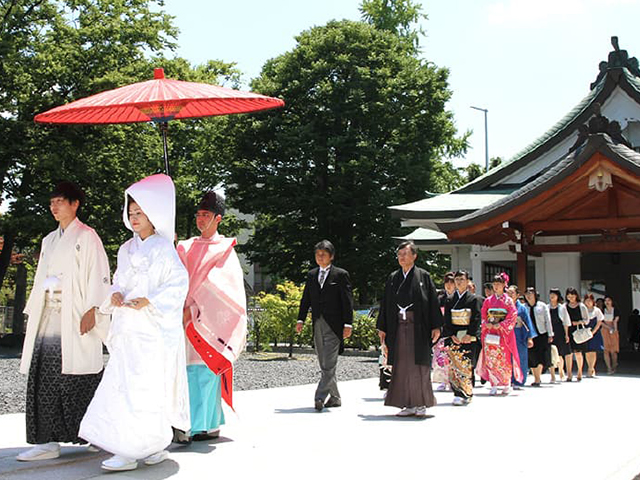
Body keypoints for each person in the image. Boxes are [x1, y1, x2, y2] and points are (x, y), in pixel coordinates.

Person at [79, 174, 190, 471]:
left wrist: (150, 300)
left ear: (154, 215)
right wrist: (115, 294)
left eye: (140, 212)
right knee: (124, 387)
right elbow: (119, 281)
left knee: (145, 389)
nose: (134, 217)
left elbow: (178, 284)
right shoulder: (126, 249)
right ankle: (136, 446)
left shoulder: (164, 249)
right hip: (128, 328)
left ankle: (140, 447)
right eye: (131, 212)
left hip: (150, 331)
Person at [17, 182, 111, 462]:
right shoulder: (49, 240)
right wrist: (36, 307)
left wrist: (94, 309)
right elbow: (43, 279)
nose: (54, 207)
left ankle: (95, 433)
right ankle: (46, 441)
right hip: (50, 315)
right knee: (44, 374)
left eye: (60, 201)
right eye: (51, 202)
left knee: (80, 378)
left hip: (76, 315)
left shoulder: (87, 237)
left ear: (75, 204)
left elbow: (99, 274)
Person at [176, 191, 247, 442]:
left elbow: (228, 290)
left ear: (218, 218)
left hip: (206, 322)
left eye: (205, 215)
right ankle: (188, 423)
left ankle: (206, 424)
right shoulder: (184, 246)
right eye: (198, 215)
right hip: (182, 318)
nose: (200, 219)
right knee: (185, 372)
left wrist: (196, 307)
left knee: (205, 371)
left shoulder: (225, 249)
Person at [377, 241, 442, 417]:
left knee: (418, 365)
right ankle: (407, 403)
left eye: (405, 254)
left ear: (414, 256)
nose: (401, 257)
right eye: (399, 254)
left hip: (417, 327)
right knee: (401, 365)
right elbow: (386, 303)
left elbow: (433, 302)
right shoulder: (393, 278)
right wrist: (382, 326)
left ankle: (420, 403)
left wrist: (436, 325)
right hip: (398, 326)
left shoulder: (423, 276)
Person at [297, 240, 353, 411]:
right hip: (318, 323)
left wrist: (348, 323)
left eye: (324, 254)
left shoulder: (340, 274)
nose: (320, 257)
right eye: (317, 254)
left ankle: (320, 396)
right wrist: (300, 319)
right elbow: (306, 298)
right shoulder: (312, 275)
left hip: (335, 325)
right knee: (324, 362)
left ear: (331, 256)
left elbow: (347, 301)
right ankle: (335, 398)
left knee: (329, 362)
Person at [477, 273, 521, 396]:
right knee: (491, 358)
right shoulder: (488, 300)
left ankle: (506, 383)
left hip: (502, 335)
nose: (496, 287)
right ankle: (494, 384)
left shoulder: (508, 301)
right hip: (491, 332)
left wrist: (501, 325)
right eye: (494, 284)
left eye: (499, 284)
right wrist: (486, 323)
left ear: (504, 285)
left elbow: (512, 315)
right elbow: (483, 314)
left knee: (504, 358)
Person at [442, 270, 481, 406]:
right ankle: (457, 392)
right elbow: (446, 319)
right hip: (454, 335)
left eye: (462, 279)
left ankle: (467, 392)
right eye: (457, 279)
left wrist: (470, 334)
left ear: (467, 281)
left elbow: (476, 318)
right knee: (454, 365)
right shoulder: (450, 299)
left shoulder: (473, 299)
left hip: (467, 335)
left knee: (466, 364)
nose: (459, 282)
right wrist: (451, 334)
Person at [507, 285, 536, 389]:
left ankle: (519, 381)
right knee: (508, 358)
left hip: (519, 334)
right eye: (508, 293)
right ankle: (509, 380)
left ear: (517, 295)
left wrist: (530, 338)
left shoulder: (522, 308)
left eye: (512, 293)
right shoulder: (505, 306)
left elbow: (528, 323)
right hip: (507, 335)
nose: (509, 295)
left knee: (520, 358)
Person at [524, 287, 553, 386]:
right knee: (532, 357)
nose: (528, 296)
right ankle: (536, 378)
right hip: (530, 335)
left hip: (542, 334)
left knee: (541, 356)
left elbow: (548, 320)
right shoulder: (524, 307)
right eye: (527, 294)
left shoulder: (542, 306)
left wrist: (550, 334)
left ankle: (538, 377)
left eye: (531, 294)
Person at [432, 273, 455, 391]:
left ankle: (452, 381)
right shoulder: (440, 299)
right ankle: (442, 380)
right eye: (447, 283)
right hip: (442, 331)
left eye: (451, 283)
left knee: (453, 357)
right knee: (440, 357)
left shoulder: (457, 298)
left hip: (454, 332)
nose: (449, 286)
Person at [548, 288, 571, 383]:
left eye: (554, 295)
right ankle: (552, 375)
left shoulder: (562, 308)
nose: (552, 297)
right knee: (551, 354)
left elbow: (566, 322)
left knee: (561, 354)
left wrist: (566, 334)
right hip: (550, 332)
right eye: (550, 295)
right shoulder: (547, 307)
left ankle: (561, 371)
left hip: (560, 331)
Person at [584, 294, 604, 377]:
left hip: (594, 332)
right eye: (586, 300)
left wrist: (593, 332)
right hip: (585, 332)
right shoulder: (583, 310)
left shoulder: (597, 310)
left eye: (590, 300)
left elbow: (599, 322)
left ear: (593, 301)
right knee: (587, 351)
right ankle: (590, 367)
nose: (588, 302)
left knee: (593, 351)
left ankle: (591, 368)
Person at [602, 296, 620, 374]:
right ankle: (608, 368)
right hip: (605, 330)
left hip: (613, 330)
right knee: (606, 350)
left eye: (609, 300)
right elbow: (600, 322)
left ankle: (614, 366)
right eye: (605, 300)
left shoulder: (615, 310)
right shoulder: (602, 310)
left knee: (613, 351)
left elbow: (615, 321)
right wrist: (608, 327)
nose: (607, 302)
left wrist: (614, 330)